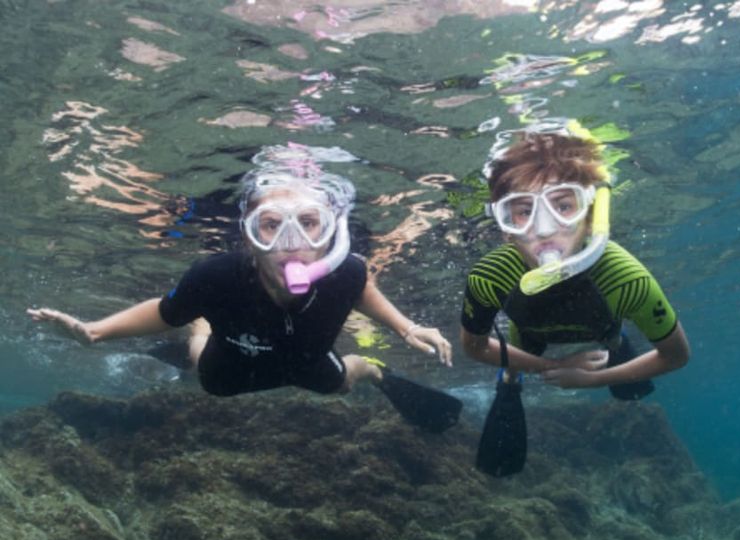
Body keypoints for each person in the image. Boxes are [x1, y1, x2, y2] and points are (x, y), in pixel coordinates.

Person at [28, 157, 452, 398]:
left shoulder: (348, 269)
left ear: (331, 234)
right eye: (271, 225)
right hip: (231, 366)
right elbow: (165, 313)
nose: (292, 243)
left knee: (339, 385)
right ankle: (203, 325)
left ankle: (372, 370)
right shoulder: (215, 277)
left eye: (309, 223)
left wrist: (406, 327)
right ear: (249, 236)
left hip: (307, 362)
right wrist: (95, 332)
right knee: (204, 371)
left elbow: (361, 291)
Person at [460, 125, 689, 397]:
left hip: (602, 328)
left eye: (564, 206)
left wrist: (593, 380)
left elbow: (676, 356)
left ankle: (614, 344)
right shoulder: (489, 278)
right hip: (528, 335)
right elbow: (474, 346)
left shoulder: (628, 280)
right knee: (514, 364)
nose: (544, 229)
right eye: (524, 212)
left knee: (612, 340)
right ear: (505, 228)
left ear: (590, 218)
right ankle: (510, 377)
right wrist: (553, 366)